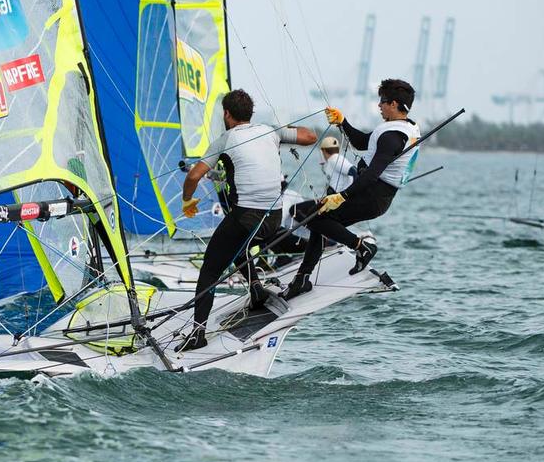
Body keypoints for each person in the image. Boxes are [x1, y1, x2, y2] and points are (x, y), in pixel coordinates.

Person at [176, 89, 316, 352]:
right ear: (250, 114)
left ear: (227, 114)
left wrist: (187, 201)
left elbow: (194, 176)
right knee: (236, 244)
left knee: (209, 270)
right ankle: (256, 289)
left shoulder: (225, 140)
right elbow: (310, 136)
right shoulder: (271, 132)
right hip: (273, 219)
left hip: (246, 219)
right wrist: (286, 130)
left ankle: (198, 334)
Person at [283, 78, 420, 299]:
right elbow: (362, 142)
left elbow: (373, 174)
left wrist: (341, 196)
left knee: (316, 218)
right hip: (375, 194)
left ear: (394, 104)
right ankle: (302, 280)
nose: (379, 105)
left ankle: (362, 247)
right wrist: (343, 122)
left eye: (383, 101)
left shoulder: (393, 137)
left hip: (374, 195)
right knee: (320, 223)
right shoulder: (401, 128)